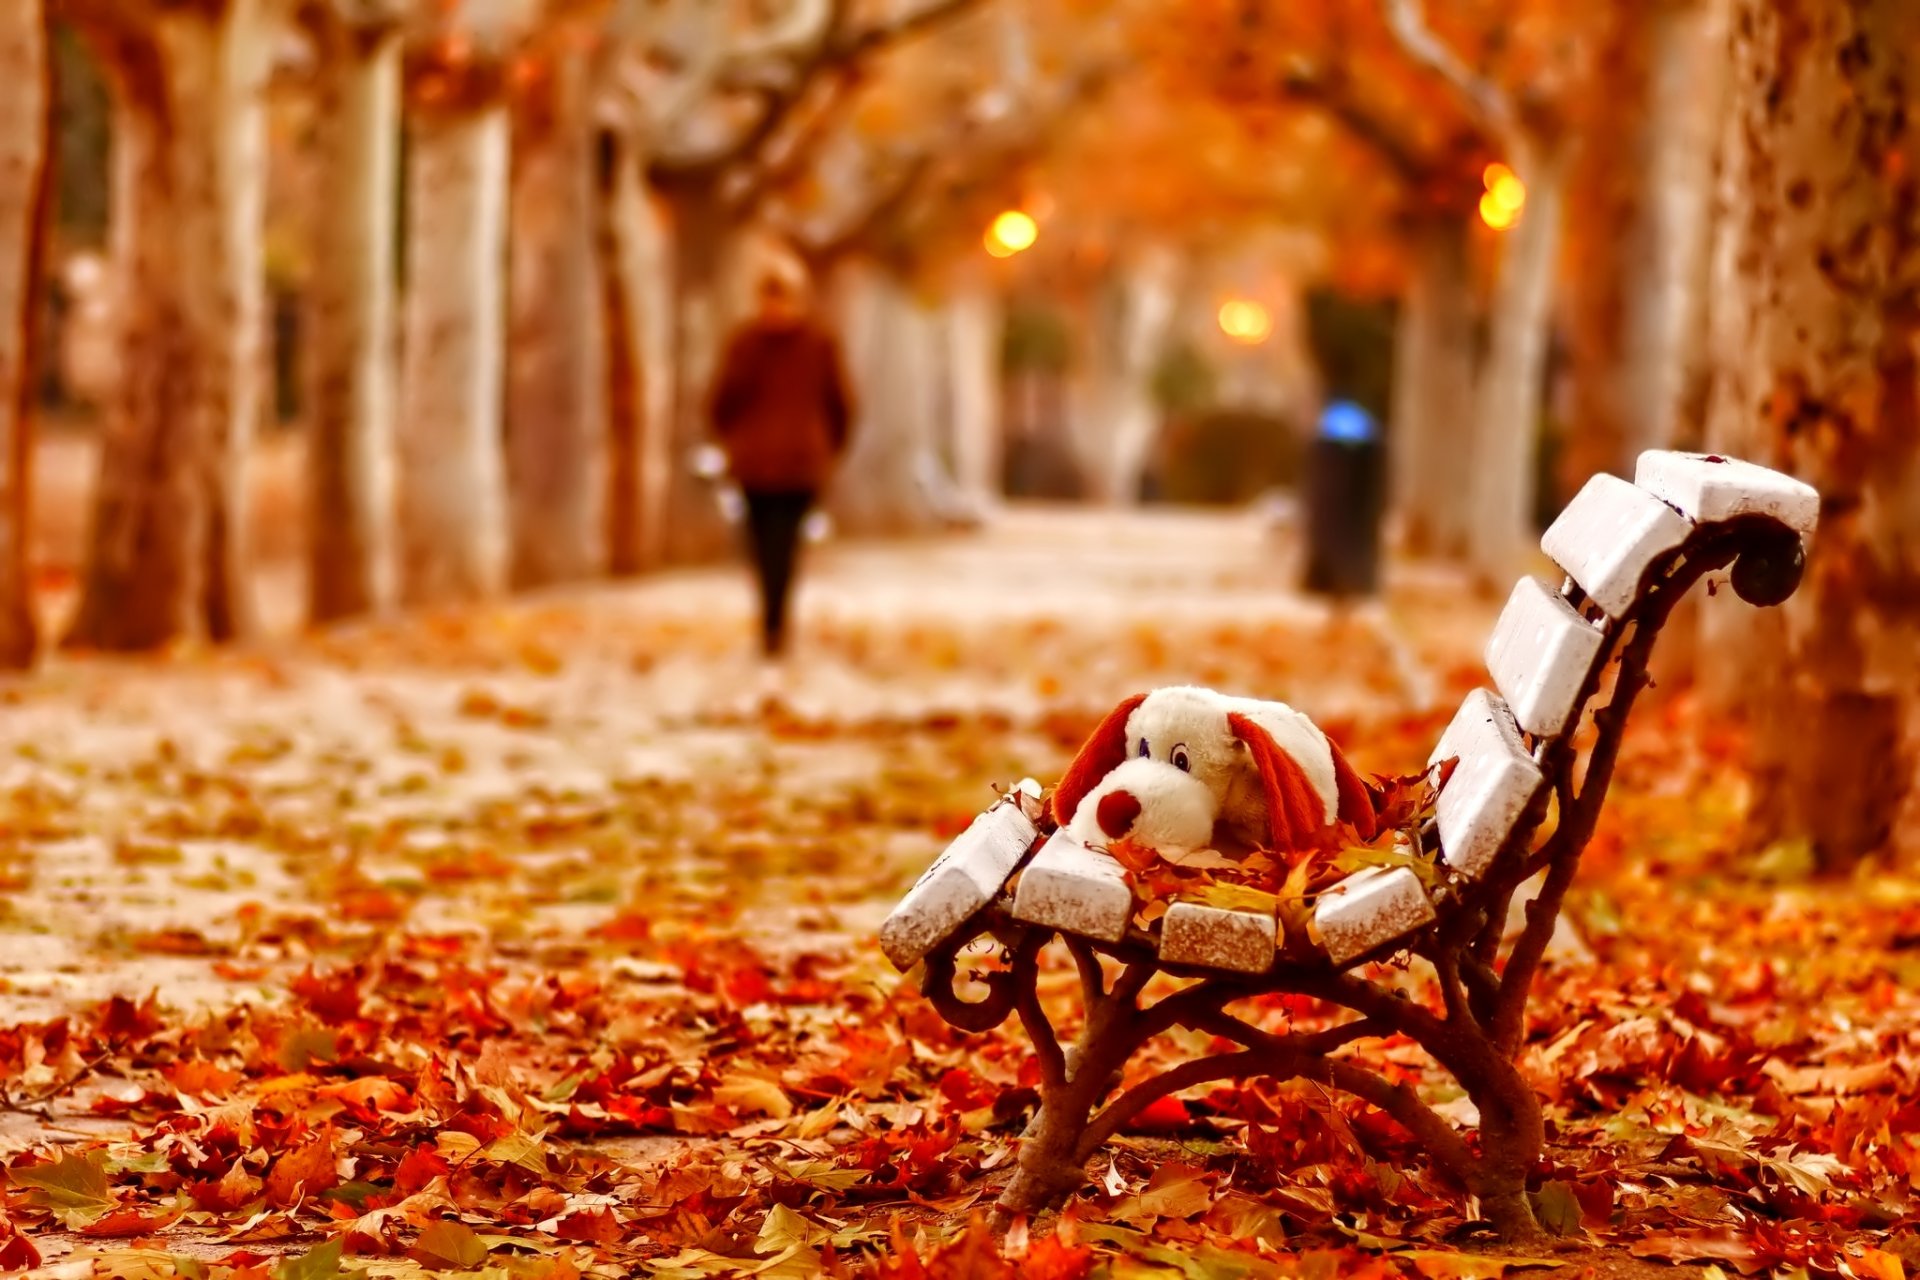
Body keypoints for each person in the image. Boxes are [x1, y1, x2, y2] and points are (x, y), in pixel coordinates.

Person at [709, 261, 854, 658]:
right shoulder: (810, 343)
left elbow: (721, 402)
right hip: (776, 462)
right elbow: (841, 405)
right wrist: (830, 445)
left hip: (785, 462)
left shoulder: (754, 343)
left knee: (775, 544)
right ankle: (775, 616)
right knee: (770, 545)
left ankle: (773, 618)